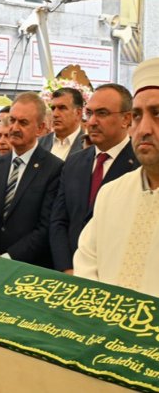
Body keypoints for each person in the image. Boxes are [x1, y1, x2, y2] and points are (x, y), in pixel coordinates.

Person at [74, 58, 159, 297]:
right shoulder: (111, 193)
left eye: (157, 113)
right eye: (137, 115)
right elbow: (86, 263)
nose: (144, 129)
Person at [51, 83, 137, 273]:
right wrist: (67, 268)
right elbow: (58, 220)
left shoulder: (140, 166)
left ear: (126, 119)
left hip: (113, 275)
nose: (92, 122)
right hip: (70, 273)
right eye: (89, 113)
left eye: (102, 113)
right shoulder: (74, 163)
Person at [0, 93, 62, 268]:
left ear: (40, 128)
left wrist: (8, 257)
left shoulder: (54, 169)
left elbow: (46, 227)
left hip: (27, 266)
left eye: (23, 123)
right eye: (12, 120)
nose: (14, 128)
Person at [39, 88, 85, 160]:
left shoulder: (89, 145)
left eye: (62, 108)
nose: (55, 114)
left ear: (78, 113)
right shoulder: (40, 143)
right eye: (53, 108)